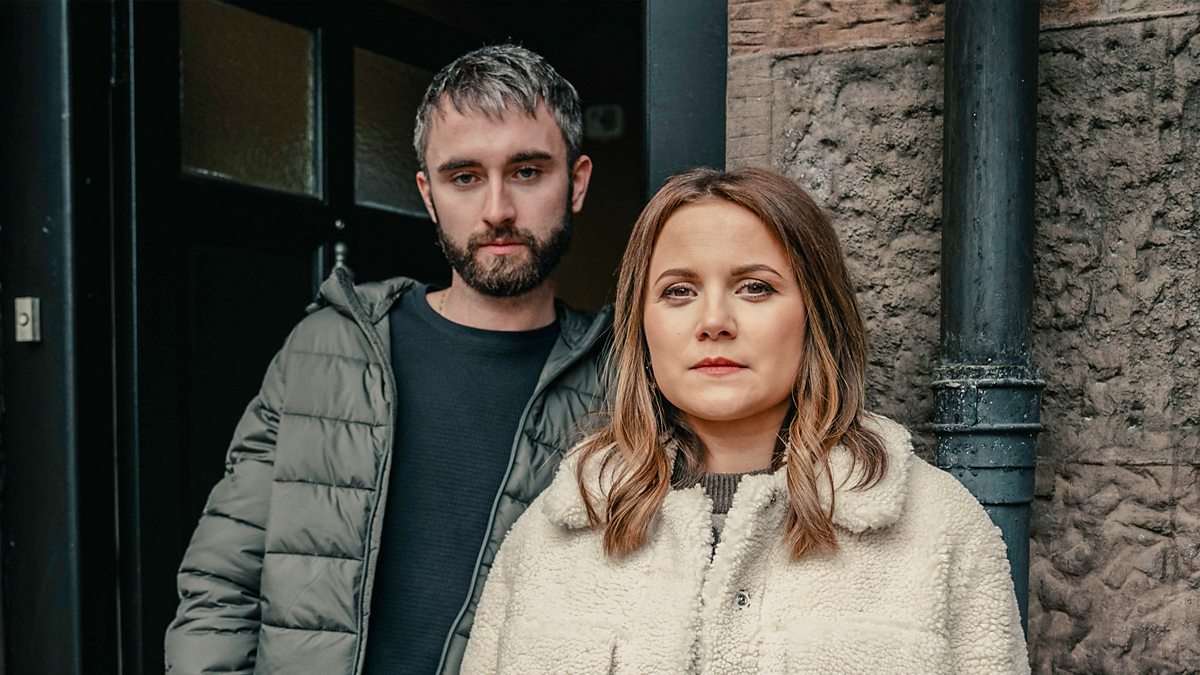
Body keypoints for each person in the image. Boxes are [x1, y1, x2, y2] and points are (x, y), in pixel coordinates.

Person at [461, 167, 1029, 674]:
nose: (714, 321)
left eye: (755, 287)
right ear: (642, 324)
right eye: (678, 291)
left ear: (816, 313)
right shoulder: (553, 532)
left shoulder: (938, 527)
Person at [164, 45, 611, 674]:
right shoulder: (328, 348)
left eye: (528, 171)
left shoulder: (622, 382)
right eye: (464, 177)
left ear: (577, 182)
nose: (497, 210)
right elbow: (220, 584)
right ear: (428, 194)